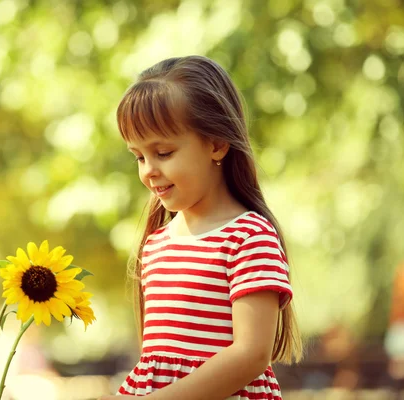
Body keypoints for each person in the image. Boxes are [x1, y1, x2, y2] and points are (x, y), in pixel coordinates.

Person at [99, 55, 303, 400]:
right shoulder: (156, 245)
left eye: (163, 152)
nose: (148, 169)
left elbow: (251, 355)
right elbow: (155, 363)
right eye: (139, 157)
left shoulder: (249, 237)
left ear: (216, 144)